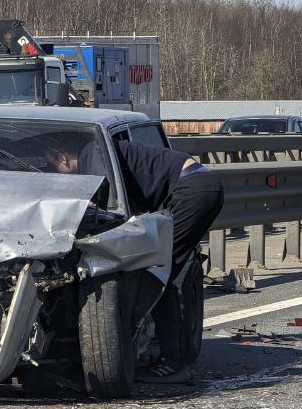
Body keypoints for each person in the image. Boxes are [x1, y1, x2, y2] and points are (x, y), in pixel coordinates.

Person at [48, 133, 223, 384]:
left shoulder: (92, 155)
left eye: (53, 166)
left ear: (62, 157)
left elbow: (105, 202)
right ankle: (173, 358)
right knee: (162, 269)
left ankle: (175, 364)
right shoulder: (98, 148)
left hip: (192, 190)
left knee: (157, 271)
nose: (59, 173)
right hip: (197, 187)